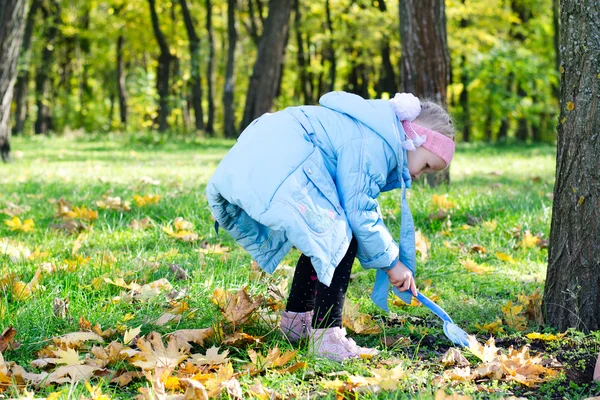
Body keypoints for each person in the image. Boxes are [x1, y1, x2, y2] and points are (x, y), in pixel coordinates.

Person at [206, 91, 455, 362]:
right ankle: (327, 336)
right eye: (427, 165)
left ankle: (297, 323)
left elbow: (357, 204)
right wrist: (393, 263)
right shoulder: (374, 144)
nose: (419, 176)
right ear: (412, 137)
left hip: (269, 151)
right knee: (339, 236)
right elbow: (359, 213)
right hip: (279, 158)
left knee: (327, 232)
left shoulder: (372, 133)